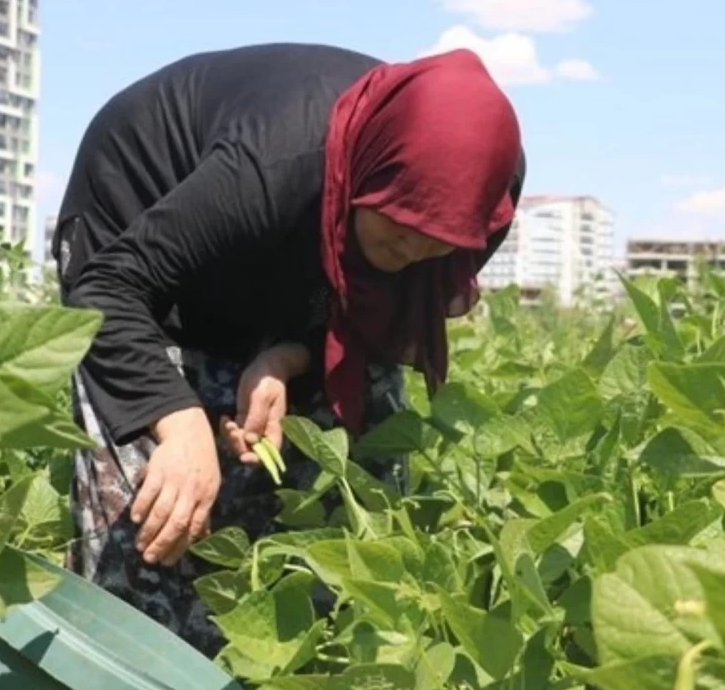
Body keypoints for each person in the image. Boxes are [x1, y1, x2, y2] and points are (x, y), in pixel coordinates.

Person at [52, 42, 525, 655]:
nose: (411, 252)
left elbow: (381, 309)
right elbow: (109, 290)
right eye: (399, 228)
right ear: (366, 179)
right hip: (137, 240)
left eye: (433, 242)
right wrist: (179, 423)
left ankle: (303, 679)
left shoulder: (482, 202)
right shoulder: (273, 164)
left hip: (285, 248)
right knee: (158, 523)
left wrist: (287, 356)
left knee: (352, 487)